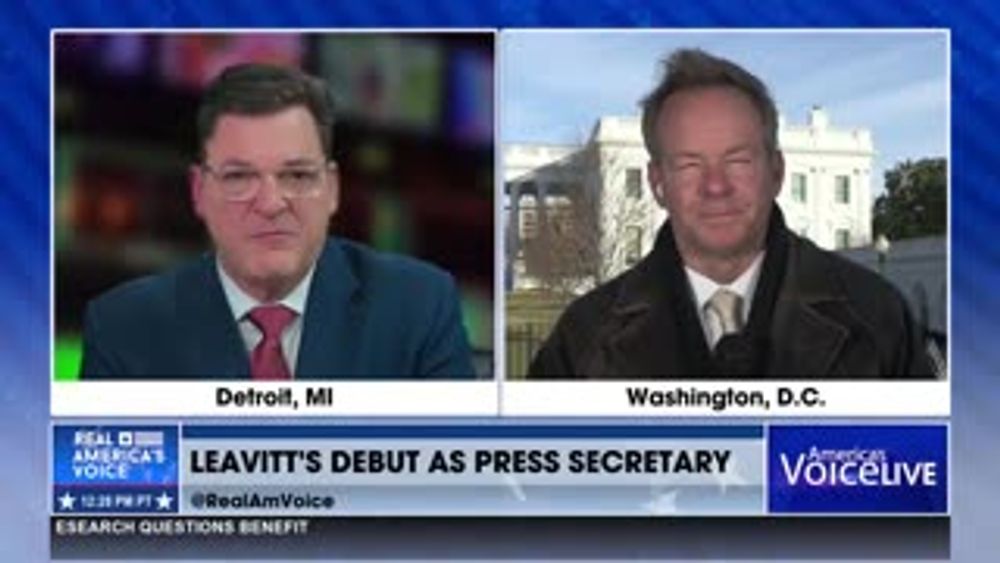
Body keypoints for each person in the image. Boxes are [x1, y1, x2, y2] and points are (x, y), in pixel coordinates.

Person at [528, 49, 934, 378]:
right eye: (689, 165)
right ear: (657, 184)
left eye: (738, 161)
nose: (716, 187)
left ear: (776, 172)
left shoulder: (878, 316)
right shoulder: (582, 338)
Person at [81, 63, 475, 379]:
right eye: (239, 177)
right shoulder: (124, 329)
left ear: (333, 189)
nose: (271, 203)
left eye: (297, 176)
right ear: (199, 191)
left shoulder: (418, 307)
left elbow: (454, 474)